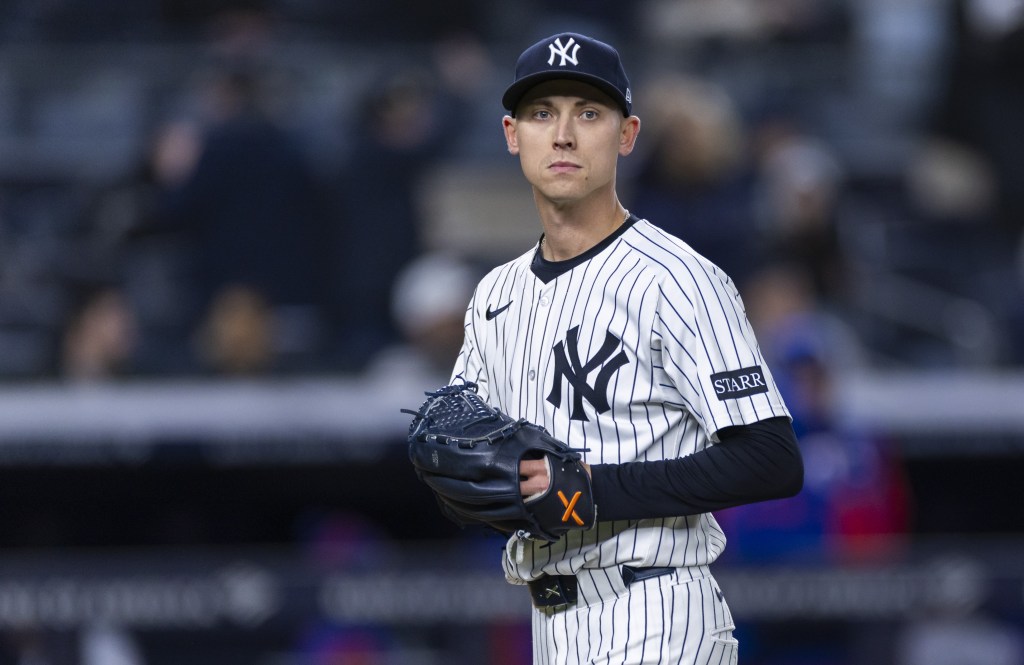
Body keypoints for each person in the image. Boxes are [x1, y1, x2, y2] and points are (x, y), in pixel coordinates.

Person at [447, 32, 804, 663]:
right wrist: (464, 472)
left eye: (588, 114)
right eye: (541, 114)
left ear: (628, 135)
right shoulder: (496, 293)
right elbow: (466, 447)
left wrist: (592, 489)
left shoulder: (678, 278)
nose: (563, 135)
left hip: (655, 609)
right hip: (548, 619)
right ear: (511, 134)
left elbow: (771, 459)